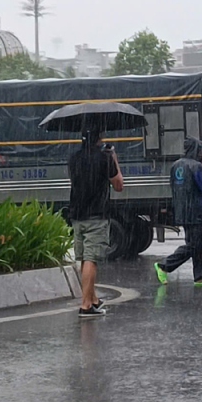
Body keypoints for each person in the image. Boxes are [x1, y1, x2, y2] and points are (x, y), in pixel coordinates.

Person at [68, 128, 124, 318]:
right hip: (96, 215)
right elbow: (118, 186)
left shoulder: (74, 158)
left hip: (77, 214)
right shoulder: (104, 158)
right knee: (92, 259)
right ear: (99, 139)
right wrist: (113, 157)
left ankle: (92, 299)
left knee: (85, 258)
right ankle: (85, 305)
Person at [154, 138, 202, 287]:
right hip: (195, 211)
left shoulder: (176, 165)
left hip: (182, 211)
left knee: (201, 244)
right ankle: (164, 266)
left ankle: (201, 277)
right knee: (194, 245)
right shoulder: (197, 167)